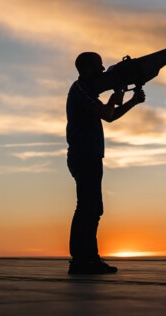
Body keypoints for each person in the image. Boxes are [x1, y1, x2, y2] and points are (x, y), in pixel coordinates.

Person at [66, 51, 145, 274]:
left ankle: (88, 258)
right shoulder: (80, 89)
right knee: (87, 208)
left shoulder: (87, 91)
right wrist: (115, 96)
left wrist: (131, 102)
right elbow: (107, 113)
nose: (103, 70)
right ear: (87, 69)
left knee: (93, 208)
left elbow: (109, 115)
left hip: (90, 157)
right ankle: (82, 260)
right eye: (98, 66)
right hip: (84, 157)